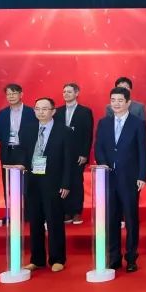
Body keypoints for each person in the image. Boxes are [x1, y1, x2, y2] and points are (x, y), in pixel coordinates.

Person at [94, 86, 146, 273]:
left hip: (130, 178)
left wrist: (142, 176)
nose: (116, 104)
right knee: (111, 219)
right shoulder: (104, 123)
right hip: (108, 178)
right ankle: (114, 257)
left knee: (131, 219)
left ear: (128, 103)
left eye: (120, 100)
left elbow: (143, 151)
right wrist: (103, 165)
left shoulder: (137, 123)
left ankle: (131, 257)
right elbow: (98, 147)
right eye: (113, 100)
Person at [20, 97, 72, 273]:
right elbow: (23, 154)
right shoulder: (27, 130)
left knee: (54, 221)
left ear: (53, 111)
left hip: (54, 182)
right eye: (37, 109)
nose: (40, 112)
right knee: (35, 222)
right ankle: (37, 259)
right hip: (33, 181)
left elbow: (68, 160)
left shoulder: (64, 131)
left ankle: (57, 259)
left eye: (44, 109)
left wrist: (66, 183)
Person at [0, 83, 37, 213]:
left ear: (21, 94)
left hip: (25, 151)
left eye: (14, 93)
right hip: (8, 151)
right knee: (8, 183)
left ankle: (29, 212)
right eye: (8, 94)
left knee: (27, 183)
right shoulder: (2, 113)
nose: (11, 96)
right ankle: (12, 212)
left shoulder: (31, 112)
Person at [56, 82, 93, 225]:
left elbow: (88, 135)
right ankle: (66, 212)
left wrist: (84, 154)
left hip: (78, 154)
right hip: (61, 153)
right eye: (64, 91)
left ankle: (77, 212)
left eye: (69, 92)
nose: (66, 94)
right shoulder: (57, 111)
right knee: (62, 181)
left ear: (77, 93)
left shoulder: (85, 111)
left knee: (76, 181)